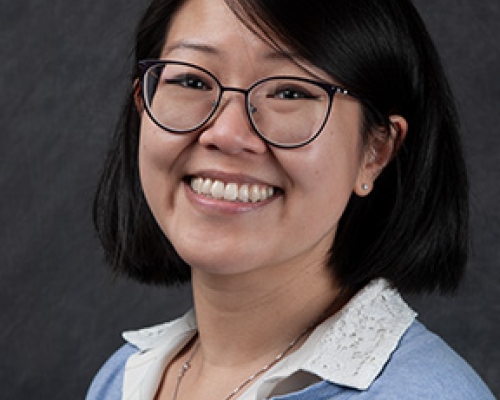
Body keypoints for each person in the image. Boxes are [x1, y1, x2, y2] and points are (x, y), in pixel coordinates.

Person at [86, 0, 496, 399]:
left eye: (289, 92)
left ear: (375, 151)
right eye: (192, 82)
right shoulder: (124, 379)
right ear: (143, 106)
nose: (226, 133)